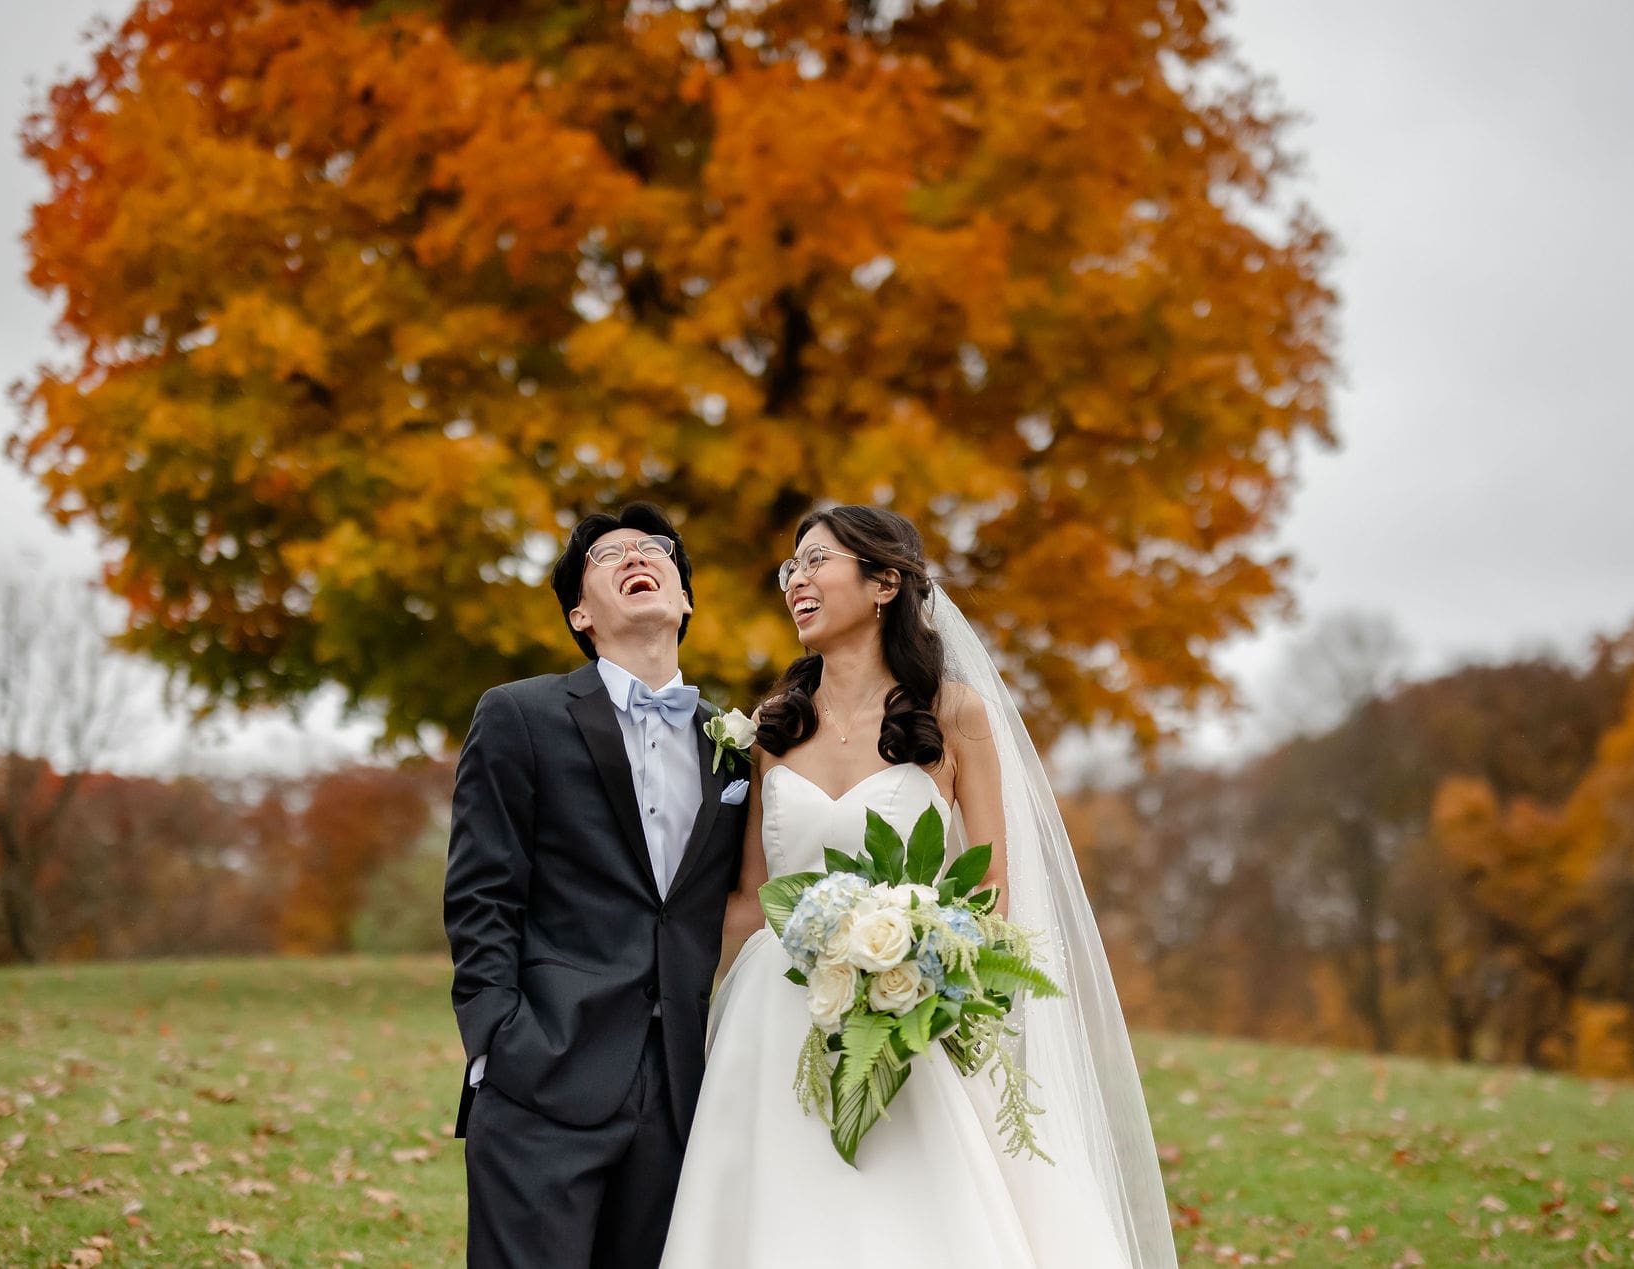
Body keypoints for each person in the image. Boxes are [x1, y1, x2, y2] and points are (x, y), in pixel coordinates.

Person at [660, 505, 1181, 1268]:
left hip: (906, 1012)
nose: (795, 581)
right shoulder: (775, 725)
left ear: (883, 582)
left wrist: (919, 967)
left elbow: (993, 888)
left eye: (815, 561)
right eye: (789, 569)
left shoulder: (957, 714)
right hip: (773, 1015)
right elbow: (750, 894)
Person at [444, 503, 750, 1269]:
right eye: (607, 554)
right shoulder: (519, 713)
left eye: (653, 549)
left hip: (682, 1088)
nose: (635, 556)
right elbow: (482, 891)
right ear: (581, 612)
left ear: (682, 598)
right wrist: (497, 1043)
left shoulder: (738, 746)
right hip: (543, 1069)